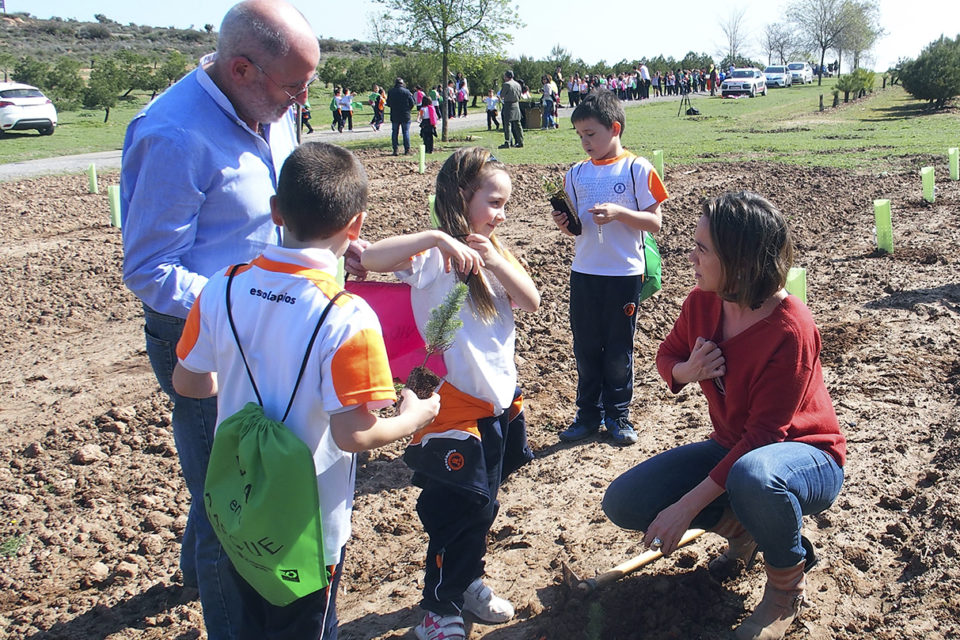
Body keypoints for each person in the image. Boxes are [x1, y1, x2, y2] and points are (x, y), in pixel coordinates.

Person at [173, 142, 440, 640]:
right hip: (308, 525)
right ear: (356, 225)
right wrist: (415, 415)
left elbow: (188, 382)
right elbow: (352, 434)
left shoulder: (220, 287)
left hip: (238, 505)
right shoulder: (347, 315)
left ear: (276, 210)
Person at [119, 1, 321, 637]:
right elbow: (151, 270)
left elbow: (278, 217)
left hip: (265, 322)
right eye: (294, 87)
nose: (303, 99)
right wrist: (246, 302)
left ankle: (196, 571)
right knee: (228, 507)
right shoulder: (171, 135)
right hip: (205, 337)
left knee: (224, 470)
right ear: (241, 70)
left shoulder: (270, 108)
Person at [602, 192, 847, 640]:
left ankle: (785, 589)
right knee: (624, 500)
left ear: (740, 261)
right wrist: (687, 371)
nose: (690, 257)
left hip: (804, 455)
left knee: (755, 477)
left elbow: (764, 438)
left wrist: (685, 508)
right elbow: (667, 355)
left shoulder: (791, 328)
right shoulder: (702, 302)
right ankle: (747, 529)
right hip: (734, 449)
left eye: (702, 249)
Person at [361, 147, 539, 640]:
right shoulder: (434, 257)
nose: (501, 214)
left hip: (497, 400)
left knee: (484, 504)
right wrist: (438, 236)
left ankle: (468, 581)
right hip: (450, 404)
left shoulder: (496, 253)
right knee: (455, 509)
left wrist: (494, 261)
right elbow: (369, 258)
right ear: (462, 196)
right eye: (494, 202)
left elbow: (531, 300)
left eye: (505, 205)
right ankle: (438, 607)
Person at [551, 89, 668, 446]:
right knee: (585, 347)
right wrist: (564, 224)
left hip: (623, 274)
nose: (585, 142)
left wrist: (619, 213)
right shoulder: (576, 174)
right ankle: (587, 416)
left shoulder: (637, 169)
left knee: (618, 349)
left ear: (615, 128)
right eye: (580, 135)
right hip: (584, 272)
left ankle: (617, 415)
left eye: (591, 134)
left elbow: (655, 222)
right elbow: (577, 229)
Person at [386, 77, 416, 156]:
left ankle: (395, 150)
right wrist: (408, 109)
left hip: (395, 115)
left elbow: (388, 103)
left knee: (394, 132)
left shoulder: (391, 92)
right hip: (405, 115)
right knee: (405, 132)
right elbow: (412, 103)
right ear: (402, 83)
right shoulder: (407, 92)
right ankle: (407, 150)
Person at [498, 70, 523, 149]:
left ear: (507, 76)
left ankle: (508, 142)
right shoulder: (517, 84)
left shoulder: (506, 84)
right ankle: (520, 141)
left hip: (508, 105)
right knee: (518, 124)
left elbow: (502, 95)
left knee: (507, 124)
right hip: (516, 104)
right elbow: (520, 95)